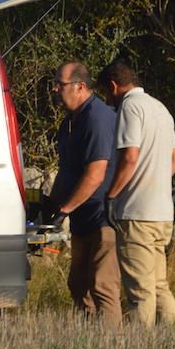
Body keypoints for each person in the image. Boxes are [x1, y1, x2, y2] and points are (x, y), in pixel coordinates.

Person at [98, 60, 175, 328]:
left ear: (113, 86)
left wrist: (111, 195)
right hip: (162, 214)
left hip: (137, 214)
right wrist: (154, 179)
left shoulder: (130, 107)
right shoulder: (160, 108)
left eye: (105, 93)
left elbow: (130, 158)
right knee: (159, 286)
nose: (107, 100)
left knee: (139, 292)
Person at [49, 61, 123, 328]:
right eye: (55, 84)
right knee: (78, 284)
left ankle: (113, 346)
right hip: (82, 217)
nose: (56, 89)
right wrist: (51, 204)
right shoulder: (70, 123)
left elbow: (95, 174)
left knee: (103, 286)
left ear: (80, 86)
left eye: (61, 84)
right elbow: (68, 169)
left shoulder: (97, 118)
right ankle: (92, 339)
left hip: (102, 217)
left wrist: (65, 209)